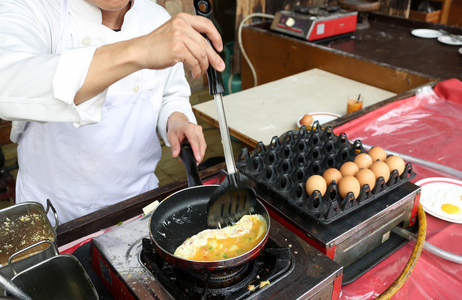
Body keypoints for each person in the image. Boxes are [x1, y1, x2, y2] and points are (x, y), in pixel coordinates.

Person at [0, 0, 225, 223]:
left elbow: (171, 94)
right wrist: (140, 50)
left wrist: (176, 119)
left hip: (140, 203)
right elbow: (7, 83)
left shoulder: (156, 17)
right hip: (54, 212)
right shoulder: (33, 8)